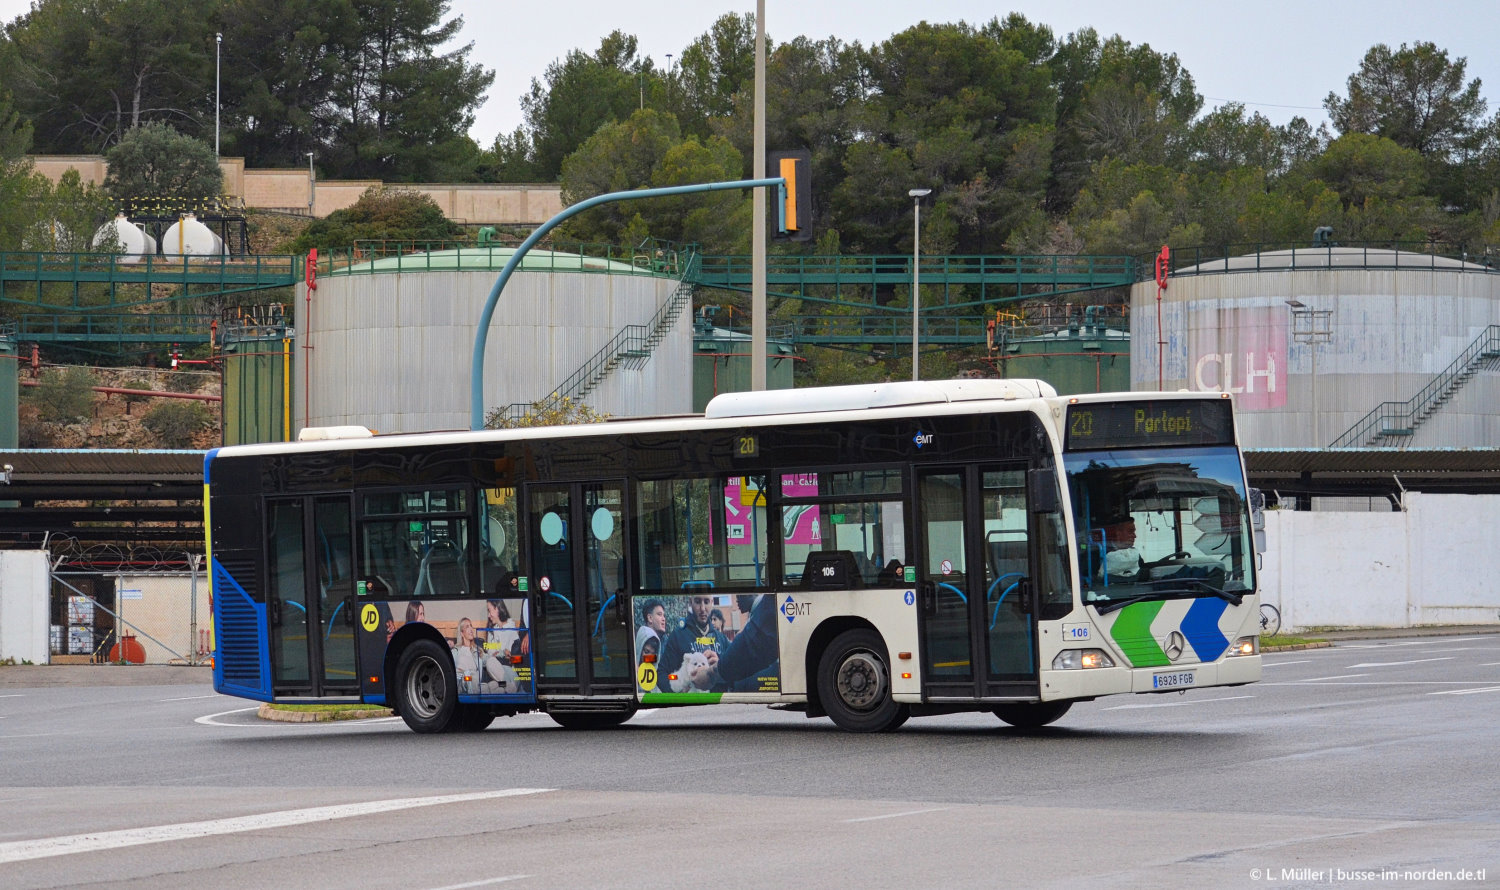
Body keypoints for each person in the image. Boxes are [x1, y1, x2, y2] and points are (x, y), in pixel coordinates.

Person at [658, 594, 729, 693]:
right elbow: (662, 674)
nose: (703, 608)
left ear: (712, 603)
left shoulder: (722, 639)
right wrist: (677, 689)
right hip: (689, 707)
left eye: (706, 602)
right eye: (698, 601)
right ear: (691, 602)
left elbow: (735, 677)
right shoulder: (678, 636)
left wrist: (719, 669)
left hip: (718, 706)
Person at [452, 617, 482, 694]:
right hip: (462, 682)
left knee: (497, 687)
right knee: (470, 677)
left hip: (476, 682)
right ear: (462, 633)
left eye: (471, 626)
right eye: (467, 627)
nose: (471, 629)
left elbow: (488, 658)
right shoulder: (456, 651)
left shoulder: (477, 650)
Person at [635, 598, 666, 667]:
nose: (663, 619)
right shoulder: (638, 638)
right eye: (659, 614)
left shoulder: (666, 642)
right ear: (650, 618)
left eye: (664, 616)